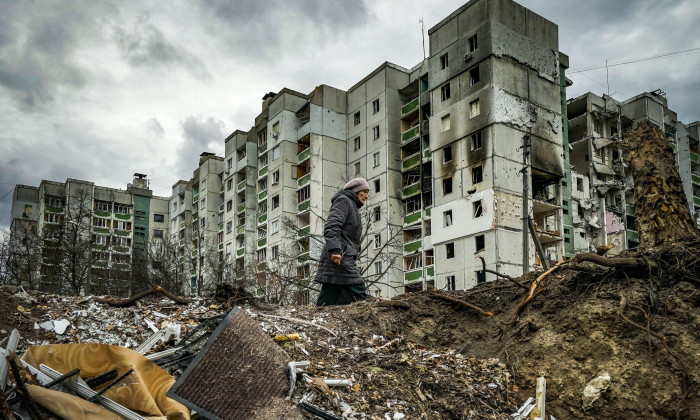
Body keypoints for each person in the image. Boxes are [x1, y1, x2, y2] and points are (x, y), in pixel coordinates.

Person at [314, 178, 370, 305]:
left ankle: (316, 320)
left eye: (368, 192)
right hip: (340, 257)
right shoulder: (344, 201)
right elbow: (332, 226)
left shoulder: (352, 206)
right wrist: (335, 250)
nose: (366, 195)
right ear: (356, 191)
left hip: (341, 256)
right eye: (364, 191)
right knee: (358, 288)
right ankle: (377, 311)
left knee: (329, 299)